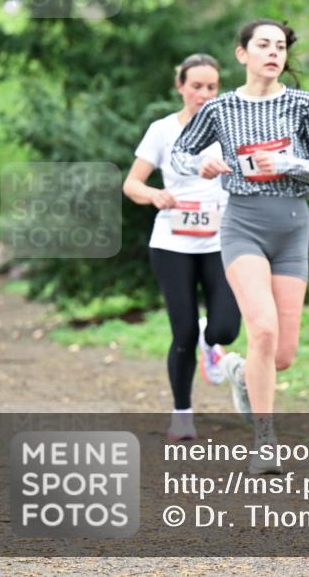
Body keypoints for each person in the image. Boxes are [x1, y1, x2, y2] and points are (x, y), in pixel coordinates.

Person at [171, 19, 309, 475]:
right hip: (243, 225)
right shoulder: (221, 108)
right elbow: (180, 153)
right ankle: (265, 443)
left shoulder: (302, 104)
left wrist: (287, 162)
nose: (273, 53)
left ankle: (239, 371)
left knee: (281, 355)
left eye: (280, 46)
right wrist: (203, 163)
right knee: (262, 329)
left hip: (292, 229)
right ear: (242, 54)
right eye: (263, 45)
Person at [123, 53, 242, 442]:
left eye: (212, 87)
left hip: (221, 240)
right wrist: (154, 195)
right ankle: (182, 414)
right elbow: (132, 183)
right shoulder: (162, 130)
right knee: (183, 332)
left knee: (226, 328)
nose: (204, 94)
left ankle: (212, 340)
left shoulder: (231, 128)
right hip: (172, 242)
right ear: (180, 87)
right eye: (196, 86)